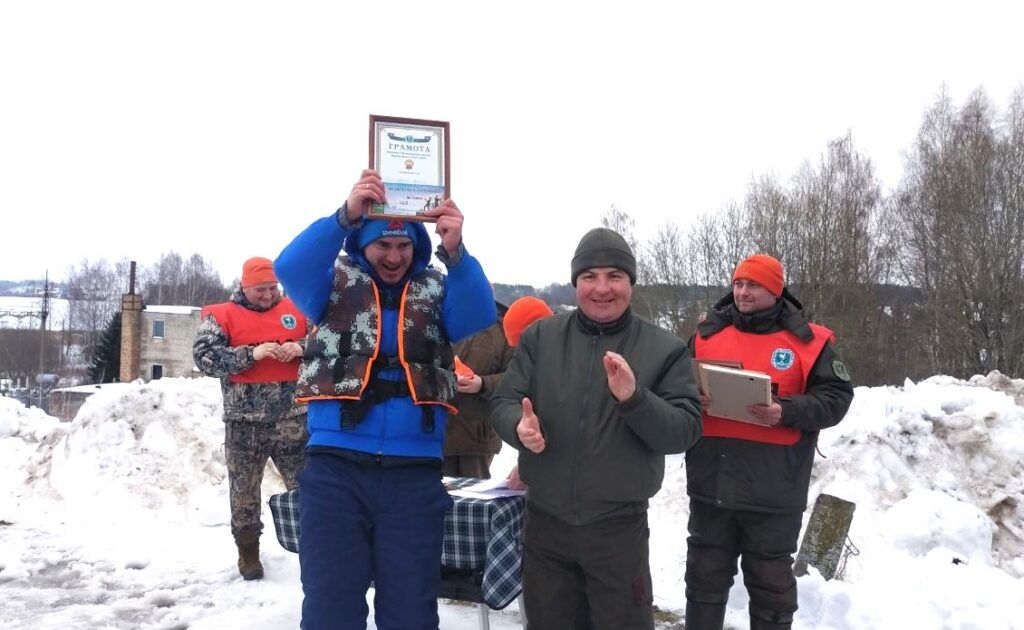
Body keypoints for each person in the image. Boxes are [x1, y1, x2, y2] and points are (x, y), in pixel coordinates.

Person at [274, 169, 495, 630]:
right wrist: (345, 215)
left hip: (413, 476)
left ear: (418, 247)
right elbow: (288, 267)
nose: (394, 256)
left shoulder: (438, 290)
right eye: (382, 245)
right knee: (330, 608)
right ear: (362, 244)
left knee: (411, 610)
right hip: (336, 468)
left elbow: (476, 312)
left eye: (404, 246)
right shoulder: (330, 285)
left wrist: (455, 251)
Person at [491, 227, 702, 630]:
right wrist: (519, 427)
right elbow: (501, 401)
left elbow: (684, 430)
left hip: (618, 533)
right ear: (575, 284)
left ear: (631, 283)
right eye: (590, 277)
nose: (602, 288)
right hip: (546, 529)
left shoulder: (665, 348)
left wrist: (634, 399)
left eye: (614, 276)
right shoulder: (541, 338)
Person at [684, 254, 854, 630]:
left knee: (770, 584)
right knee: (703, 575)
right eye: (738, 284)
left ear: (775, 290)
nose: (742, 292)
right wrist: (691, 397)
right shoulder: (705, 334)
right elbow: (675, 388)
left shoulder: (810, 342)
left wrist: (786, 411)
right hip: (712, 480)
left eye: (753, 285)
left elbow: (837, 399)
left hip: (775, 489)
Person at [193, 256, 310, 581]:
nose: (268, 295)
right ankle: (248, 554)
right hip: (244, 424)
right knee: (244, 492)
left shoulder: (297, 309)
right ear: (245, 287)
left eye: (273, 288)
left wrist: (300, 348)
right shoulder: (221, 316)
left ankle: (316, 550)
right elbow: (204, 357)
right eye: (261, 289)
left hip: (294, 421)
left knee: (309, 489)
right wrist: (251, 354)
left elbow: (328, 341)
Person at [443, 299, 514, 479]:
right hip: (434, 436)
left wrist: (482, 384)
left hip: (477, 439)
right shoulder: (438, 318)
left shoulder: (506, 329)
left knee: (475, 501)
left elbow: (517, 379)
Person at [499, 295, 555, 491]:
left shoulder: (569, 364)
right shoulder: (534, 367)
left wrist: (527, 468)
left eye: (524, 343)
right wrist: (525, 465)